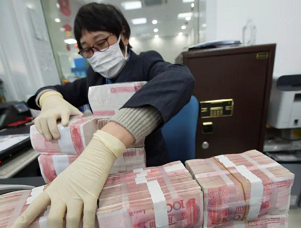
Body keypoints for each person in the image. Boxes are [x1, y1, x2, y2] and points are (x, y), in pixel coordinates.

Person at [13, 2, 194, 228]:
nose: (96, 55)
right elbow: (56, 91)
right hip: (106, 175)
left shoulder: (146, 62)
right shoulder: (94, 76)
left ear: (123, 36)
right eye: (88, 49)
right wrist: (49, 98)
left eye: (101, 43)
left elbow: (181, 77)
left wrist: (105, 145)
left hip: (148, 168)